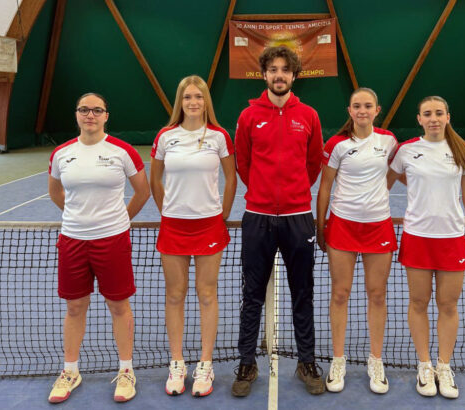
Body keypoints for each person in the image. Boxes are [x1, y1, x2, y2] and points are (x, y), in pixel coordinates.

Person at [232, 45, 324, 396]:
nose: (279, 75)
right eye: (273, 69)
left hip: (298, 218)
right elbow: (243, 162)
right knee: (251, 293)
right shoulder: (248, 116)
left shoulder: (309, 115)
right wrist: (261, 191)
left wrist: (295, 193)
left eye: (285, 69)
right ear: (264, 74)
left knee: (303, 293)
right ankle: (247, 362)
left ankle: (306, 361)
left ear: (294, 75)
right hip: (257, 217)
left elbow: (313, 163)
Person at [47, 93, 150, 403]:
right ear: (76, 114)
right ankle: (70, 371)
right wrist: (77, 217)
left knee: (118, 306)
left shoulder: (123, 151)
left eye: (96, 110)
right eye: (84, 109)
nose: (89, 115)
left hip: (113, 241)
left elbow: (142, 192)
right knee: (74, 307)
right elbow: (55, 193)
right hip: (72, 241)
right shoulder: (61, 154)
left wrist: (119, 220)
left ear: (106, 115)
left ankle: (126, 370)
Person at [387, 96, 465, 399]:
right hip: (417, 237)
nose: (433, 118)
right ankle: (425, 366)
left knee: (448, 305)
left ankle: (444, 365)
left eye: (439, 113)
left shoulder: (461, 149)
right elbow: (386, 182)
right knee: (418, 302)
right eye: (427, 114)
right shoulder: (406, 150)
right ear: (419, 119)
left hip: (452, 238)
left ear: (447, 117)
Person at [150, 75, 237, 397]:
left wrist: (222, 213)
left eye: (198, 97)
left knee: (206, 293)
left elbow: (231, 178)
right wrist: (168, 210)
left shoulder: (219, 136)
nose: (193, 102)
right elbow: (155, 180)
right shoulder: (165, 136)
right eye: (187, 97)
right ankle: (177, 364)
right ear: (180, 102)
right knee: (175, 295)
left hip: (209, 226)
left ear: (206, 101)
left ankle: (205, 364)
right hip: (174, 226)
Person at [316, 88, 397, 394]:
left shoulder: (388, 141)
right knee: (340, 293)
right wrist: (321, 226)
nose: (362, 110)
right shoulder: (336, 144)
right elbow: (325, 187)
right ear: (349, 111)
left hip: (378, 227)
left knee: (377, 294)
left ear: (377, 110)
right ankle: (338, 360)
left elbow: (398, 173)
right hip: (342, 227)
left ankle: (375, 360)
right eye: (357, 106)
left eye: (368, 106)